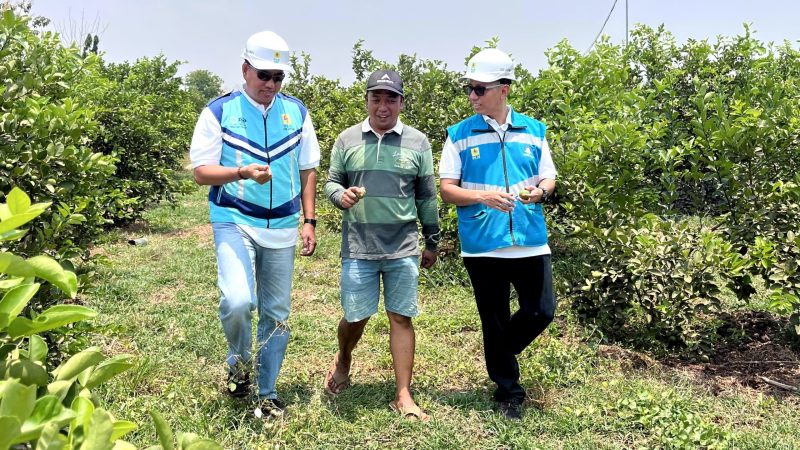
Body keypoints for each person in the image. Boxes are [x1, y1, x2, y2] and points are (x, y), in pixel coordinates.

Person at [189, 30, 320, 419]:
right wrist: (240, 172)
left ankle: (267, 390)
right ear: (245, 69)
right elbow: (200, 172)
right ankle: (239, 365)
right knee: (238, 301)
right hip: (233, 216)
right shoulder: (219, 111)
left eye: (278, 77)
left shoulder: (295, 111)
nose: (271, 85)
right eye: (264, 75)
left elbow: (308, 166)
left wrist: (309, 220)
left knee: (277, 313)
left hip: (282, 222)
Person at [439, 48, 557, 420]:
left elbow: (548, 176)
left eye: (479, 88)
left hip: (530, 238)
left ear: (503, 88)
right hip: (483, 244)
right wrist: (483, 196)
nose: (472, 96)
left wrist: (542, 191)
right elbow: (447, 189)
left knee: (541, 311)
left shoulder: (534, 130)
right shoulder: (458, 134)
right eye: (470, 89)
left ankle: (500, 350)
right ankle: (508, 391)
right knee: (493, 317)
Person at [322, 69, 439, 421]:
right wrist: (339, 196)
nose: (383, 106)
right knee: (356, 316)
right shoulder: (346, 140)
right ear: (367, 100)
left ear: (402, 102)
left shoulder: (418, 142)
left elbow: (427, 196)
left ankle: (403, 393)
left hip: (402, 245)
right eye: (376, 98)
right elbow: (331, 182)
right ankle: (344, 358)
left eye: (391, 99)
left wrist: (431, 239)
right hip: (359, 245)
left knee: (401, 317)